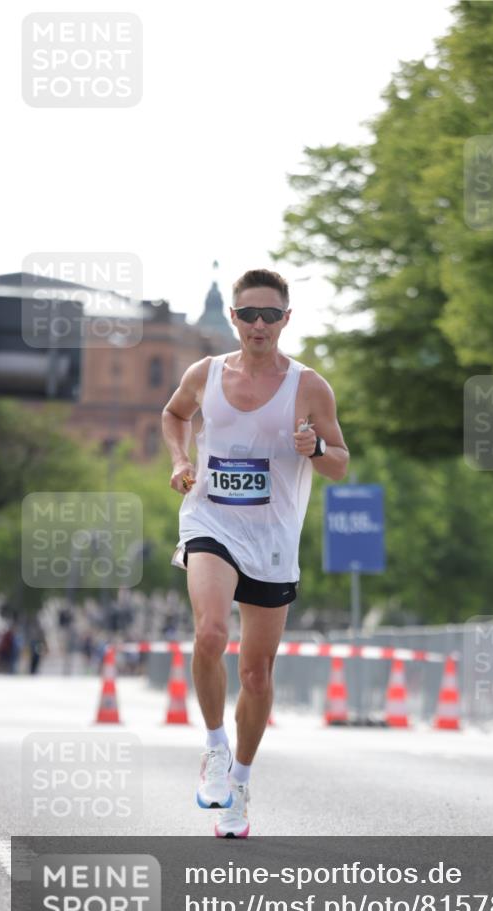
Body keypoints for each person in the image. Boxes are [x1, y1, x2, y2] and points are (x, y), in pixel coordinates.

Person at [162, 268, 349, 837]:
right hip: (210, 519)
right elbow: (174, 416)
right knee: (212, 633)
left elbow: (340, 461)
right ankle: (215, 749)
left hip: (271, 538)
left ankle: (240, 782)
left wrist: (315, 446)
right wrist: (180, 459)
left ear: (286, 320)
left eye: (271, 315)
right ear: (234, 319)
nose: (259, 325)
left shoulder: (309, 386)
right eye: (249, 315)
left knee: (257, 672)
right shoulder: (205, 373)